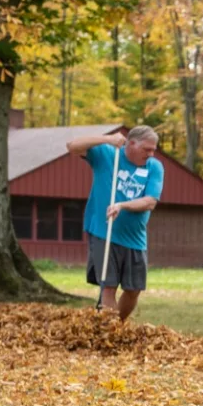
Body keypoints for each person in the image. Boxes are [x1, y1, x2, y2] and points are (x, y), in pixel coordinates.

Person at [66, 126, 164, 321]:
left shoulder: (154, 167)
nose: (151, 154)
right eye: (147, 149)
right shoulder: (108, 155)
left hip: (135, 238)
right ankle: (109, 332)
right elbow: (72, 146)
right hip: (105, 231)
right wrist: (107, 139)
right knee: (108, 286)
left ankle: (115, 325)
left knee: (134, 289)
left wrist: (121, 205)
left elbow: (150, 201)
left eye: (153, 150)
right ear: (132, 143)